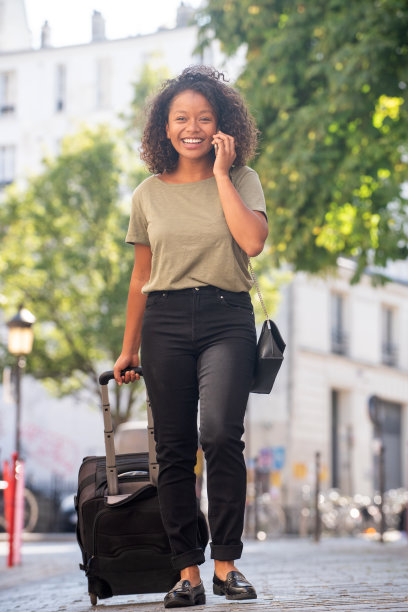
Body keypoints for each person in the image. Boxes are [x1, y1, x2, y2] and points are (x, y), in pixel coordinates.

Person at [113, 65, 268, 608]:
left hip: (227, 316)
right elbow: (139, 276)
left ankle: (226, 564)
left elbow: (251, 243)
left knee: (222, 434)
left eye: (204, 117)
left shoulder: (243, 178)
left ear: (223, 125)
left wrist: (223, 175)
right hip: (164, 321)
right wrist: (128, 347)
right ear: (165, 126)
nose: (193, 127)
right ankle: (188, 573)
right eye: (181, 118)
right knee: (173, 450)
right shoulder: (147, 194)